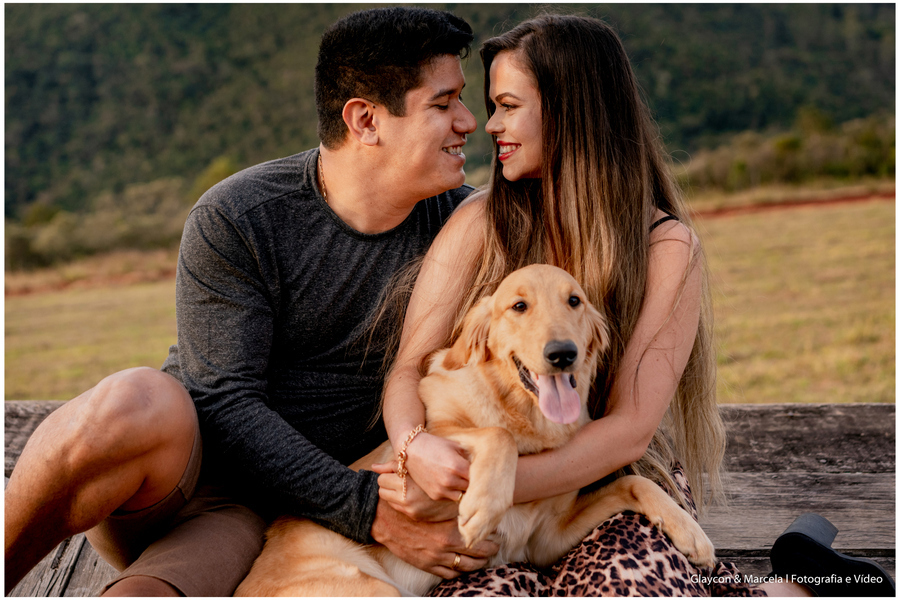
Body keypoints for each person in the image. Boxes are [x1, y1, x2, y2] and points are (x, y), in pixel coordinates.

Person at [374, 14, 894, 597]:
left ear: (571, 110)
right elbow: (409, 368)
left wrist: (491, 483)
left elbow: (627, 432)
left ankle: (803, 581)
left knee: (629, 586)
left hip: (607, 482)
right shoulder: (478, 220)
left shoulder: (667, 247)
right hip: (482, 492)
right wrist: (414, 453)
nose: (490, 124)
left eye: (508, 105)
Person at [4, 7, 499, 597]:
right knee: (136, 399)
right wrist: (371, 512)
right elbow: (225, 402)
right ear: (366, 120)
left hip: (284, 520)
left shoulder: (466, 227)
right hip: (200, 480)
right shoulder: (240, 215)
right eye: (442, 104)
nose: (470, 121)